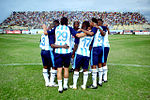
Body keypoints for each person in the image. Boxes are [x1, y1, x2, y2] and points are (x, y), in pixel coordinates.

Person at [43, 17, 85, 93]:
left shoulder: (56, 28)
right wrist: (87, 33)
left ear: (60, 22)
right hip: (67, 51)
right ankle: (65, 85)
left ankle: (60, 87)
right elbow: (78, 35)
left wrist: (44, 27)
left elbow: (46, 33)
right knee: (66, 69)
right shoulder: (69, 28)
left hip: (58, 51)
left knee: (59, 69)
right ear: (67, 22)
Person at [77, 18, 105, 89]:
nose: (90, 23)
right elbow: (103, 34)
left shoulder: (94, 28)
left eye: (90, 22)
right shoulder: (100, 28)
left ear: (93, 22)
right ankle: (100, 81)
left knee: (93, 66)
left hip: (95, 48)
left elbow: (91, 33)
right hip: (100, 47)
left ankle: (94, 84)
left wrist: (82, 30)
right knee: (99, 64)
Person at [70, 21, 93, 90]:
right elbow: (90, 46)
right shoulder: (91, 35)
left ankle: (74, 85)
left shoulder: (80, 34)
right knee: (85, 70)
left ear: (83, 26)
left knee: (76, 69)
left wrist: (73, 53)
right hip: (87, 54)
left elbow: (76, 45)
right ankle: (84, 85)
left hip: (79, 53)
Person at [98, 19, 110, 83]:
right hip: (104, 46)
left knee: (103, 62)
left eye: (99, 23)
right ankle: (102, 75)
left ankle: (104, 77)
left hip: (104, 46)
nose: (98, 24)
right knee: (101, 61)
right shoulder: (104, 28)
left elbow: (104, 34)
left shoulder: (103, 28)